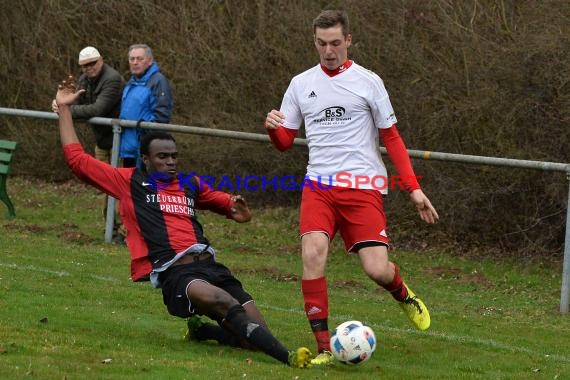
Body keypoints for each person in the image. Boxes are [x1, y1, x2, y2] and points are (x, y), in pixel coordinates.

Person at [55, 77, 313, 368]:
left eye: (174, 156)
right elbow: (77, 161)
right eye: (162, 157)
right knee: (222, 302)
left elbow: (229, 206)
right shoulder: (129, 182)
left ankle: (204, 331)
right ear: (146, 160)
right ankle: (288, 357)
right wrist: (65, 109)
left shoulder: (189, 184)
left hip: (212, 267)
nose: (170, 162)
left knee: (251, 337)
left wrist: (238, 210)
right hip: (177, 273)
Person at [264, 10, 439, 365]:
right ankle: (325, 348)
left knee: (377, 269)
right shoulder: (300, 84)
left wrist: (413, 189)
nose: (328, 51)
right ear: (314, 42)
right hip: (319, 186)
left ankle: (404, 294)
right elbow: (285, 141)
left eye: (334, 43)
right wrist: (272, 126)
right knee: (312, 255)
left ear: (348, 41)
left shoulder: (369, 81)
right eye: (321, 43)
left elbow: (391, 137)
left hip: (362, 187)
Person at [51, 46, 125, 242]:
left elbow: (98, 109)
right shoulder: (84, 80)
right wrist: (61, 104)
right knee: (104, 186)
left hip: (121, 142)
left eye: (93, 63)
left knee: (120, 187)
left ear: (101, 59)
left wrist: (65, 110)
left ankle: (124, 231)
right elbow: (73, 101)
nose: (89, 68)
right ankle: (111, 229)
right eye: (85, 65)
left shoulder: (112, 79)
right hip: (102, 141)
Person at [119, 44, 173, 168]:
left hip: (146, 150)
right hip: (128, 149)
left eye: (139, 59)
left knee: (146, 186)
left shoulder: (158, 81)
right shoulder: (131, 83)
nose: (135, 62)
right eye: (132, 59)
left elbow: (162, 116)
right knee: (129, 185)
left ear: (149, 61)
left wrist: (146, 138)